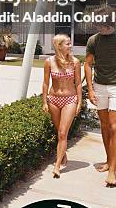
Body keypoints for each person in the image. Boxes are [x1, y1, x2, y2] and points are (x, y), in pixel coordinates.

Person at [84, 6, 116, 188]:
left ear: (110, 23)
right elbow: (88, 65)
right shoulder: (93, 41)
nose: (99, 29)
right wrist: (90, 89)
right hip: (99, 87)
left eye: (102, 25)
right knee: (105, 127)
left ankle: (113, 170)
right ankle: (108, 161)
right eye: (97, 25)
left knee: (115, 127)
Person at [42, 34, 82, 178]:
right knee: (59, 132)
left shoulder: (75, 62)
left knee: (63, 133)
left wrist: (79, 101)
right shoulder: (49, 62)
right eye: (67, 44)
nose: (70, 46)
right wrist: (45, 101)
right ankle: (62, 155)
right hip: (53, 99)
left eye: (70, 44)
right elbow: (46, 83)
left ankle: (57, 165)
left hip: (70, 99)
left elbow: (78, 83)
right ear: (59, 46)